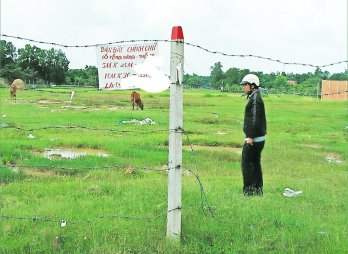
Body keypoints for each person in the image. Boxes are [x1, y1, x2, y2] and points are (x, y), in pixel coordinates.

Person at [240, 74, 267, 196]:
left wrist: (250, 136)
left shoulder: (255, 99)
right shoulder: (254, 97)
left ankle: (249, 190)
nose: (243, 87)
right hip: (258, 137)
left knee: (247, 163)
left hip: (254, 138)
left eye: (245, 85)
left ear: (253, 85)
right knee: (255, 163)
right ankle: (258, 189)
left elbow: (254, 119)